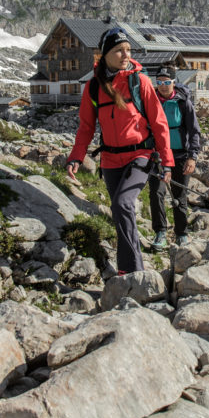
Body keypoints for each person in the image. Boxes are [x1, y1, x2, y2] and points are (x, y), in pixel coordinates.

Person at [64, 27, 173, 275]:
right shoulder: (93, 88)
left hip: (140, 156)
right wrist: (76, 157)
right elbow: (86, 127)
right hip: (110, 160)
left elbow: (159, 123)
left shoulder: (139, 81)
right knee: (120, 211)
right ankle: (131, 267)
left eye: (128, 50)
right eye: (119, 50)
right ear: (105, 55)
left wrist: (167, 162)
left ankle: (132, 271)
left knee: (123, 204)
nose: (126, 55)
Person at [148, 65, 201, 249]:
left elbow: (194, 131)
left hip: (181, 155)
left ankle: (181, 233)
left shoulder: (183, 101)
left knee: (180, 195)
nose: (163, 86)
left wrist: (192, 157)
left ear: (174, 82)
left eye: (167, 82)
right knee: (157, 192)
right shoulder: (151, 100)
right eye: (159, 82)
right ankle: (160, 232)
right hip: (159, 156)